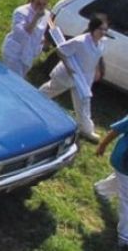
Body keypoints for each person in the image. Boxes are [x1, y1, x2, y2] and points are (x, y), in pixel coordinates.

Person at [38, 14, 109, 143]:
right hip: (68, 74)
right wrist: (69, 67)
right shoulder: (80, 41)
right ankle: (32, 99)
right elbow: (61, 50)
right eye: (101, 29)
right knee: (50, 90)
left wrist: (97, 70)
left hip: (84, 79)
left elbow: (97, 56)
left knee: (84, 103)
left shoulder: (101, 42)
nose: (103, 32)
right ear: (93, 28)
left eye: (105, 29)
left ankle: (86, 130)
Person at [95, 113, 128, 251]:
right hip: (124, 163)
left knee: (121, 183)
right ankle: (125, 236)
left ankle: (101, 190)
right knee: (126, 199)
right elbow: (116, 130)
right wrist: (102, 145)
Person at [0, 0, 50, 77]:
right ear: (32, 1)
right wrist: (36, 17)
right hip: (14, 53)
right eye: (38, 4)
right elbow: (24, 33)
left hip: (29, 54)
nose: (41, 7)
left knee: (19, 78)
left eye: (44, 4)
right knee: (13, 78)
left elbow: (42, 31)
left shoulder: (46, 14)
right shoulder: (21, 12)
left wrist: (44, 40)